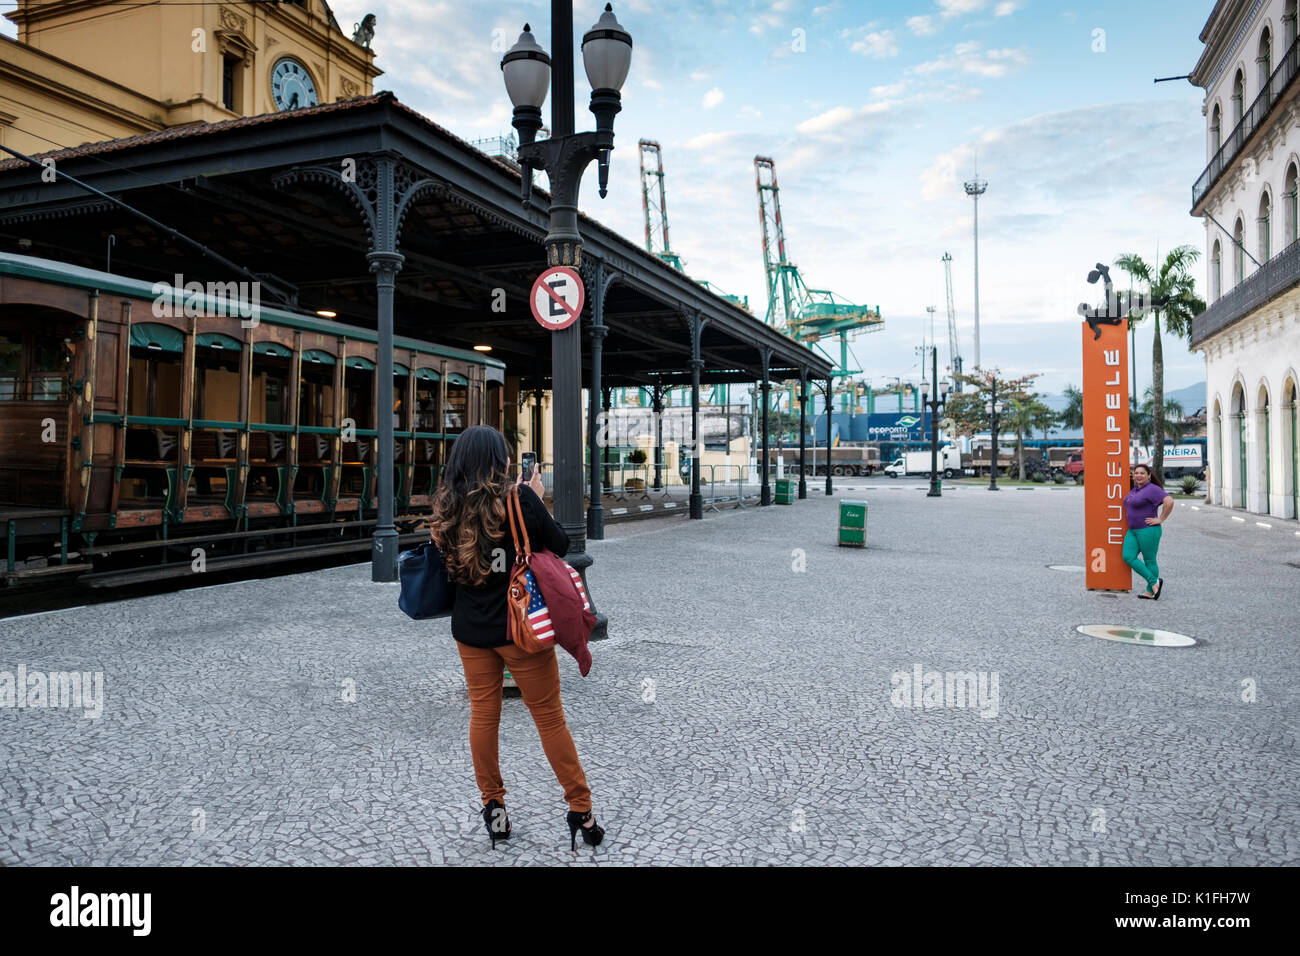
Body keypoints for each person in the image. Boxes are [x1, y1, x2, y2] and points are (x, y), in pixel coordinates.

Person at [428, 425, 604, 851]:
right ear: (500, 461)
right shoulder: (518, 499)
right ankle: (581, 810)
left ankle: (495, 809)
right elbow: (560, 544)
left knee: (483, 716)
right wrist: (537, 498)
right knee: (548, 717)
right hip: (519, 628)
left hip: (470, 632)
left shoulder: (447, 507)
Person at [1122, 463, 1173, 600]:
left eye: (1142, 473)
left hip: (1148, 530)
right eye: (1136, 473)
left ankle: (1151, 591)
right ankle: (1154, 581)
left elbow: (1169, 501)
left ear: (1149, 475)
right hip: (1133, 530)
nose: (1138, 475)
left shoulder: (1152, 489)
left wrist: (1160, 519)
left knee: (1150, 560)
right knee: (1128, 556)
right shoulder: (1135, 489)